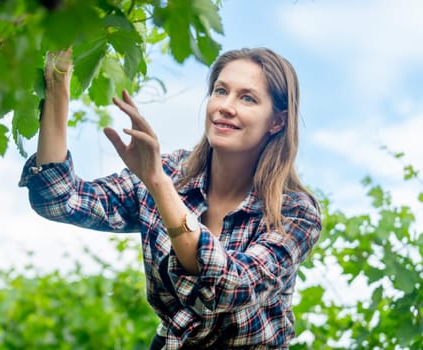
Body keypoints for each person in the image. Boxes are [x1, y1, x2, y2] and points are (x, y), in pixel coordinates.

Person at [19, 47, 321, 349]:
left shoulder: (295, 213)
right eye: (220, 91)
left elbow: (228, 287)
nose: (225, 106)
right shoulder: (171, 172)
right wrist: (57, 87)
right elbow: (59, 199)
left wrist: (158, 184)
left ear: (277, 122)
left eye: (247, 98)